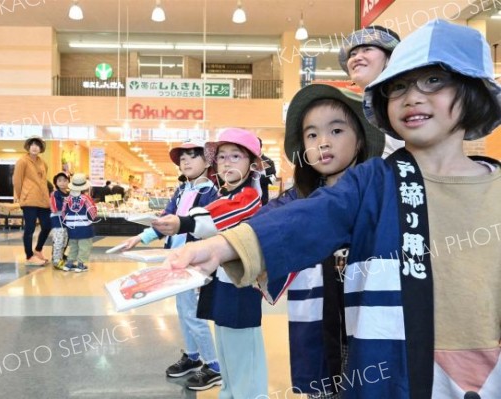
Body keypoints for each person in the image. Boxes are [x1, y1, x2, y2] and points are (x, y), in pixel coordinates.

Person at [166, 20, 501, 398]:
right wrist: (222, 246)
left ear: (474, 91)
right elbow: (309, 217)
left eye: (434, 81)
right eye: (398, 86)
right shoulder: (374, 181)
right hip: (394, 369)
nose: (412, 97)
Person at [257, 84, 384, 398]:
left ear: (360, 141)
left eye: (337, 130)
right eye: (311, 135)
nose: (323, 143)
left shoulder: (379, 195)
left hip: (369, 328)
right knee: (322, 385)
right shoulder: (297, 200)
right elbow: (260, 227)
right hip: (319, 329)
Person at [153, 128, 267, 398]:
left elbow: (218, 217)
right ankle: (228, 392)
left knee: (242, 354)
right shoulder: (226, 193)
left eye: (235, 156)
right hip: (223, 282)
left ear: (252, 165)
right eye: (222, 156)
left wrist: (182, 222)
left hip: (241, 285)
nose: (227, 162)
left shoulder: (250, 197)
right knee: (227, 350)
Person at [121, 140, 221, 391]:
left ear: (207, 161)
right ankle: (193, 356)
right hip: (176, 261)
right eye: (182, 158)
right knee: (183, 310)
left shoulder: (212, 191)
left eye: (192, 156)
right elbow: (164, 221)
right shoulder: (180, 191)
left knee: (193, 314)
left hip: (197, 261)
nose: (185, 161)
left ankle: (214, 365)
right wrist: (140, 237)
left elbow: (211, 226)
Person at [338, 25, 404, 158]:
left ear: (389, 58)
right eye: (353, 54)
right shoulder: (350, 109)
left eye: (367, 49)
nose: (357, 57)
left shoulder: (404, 101)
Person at [13, 136, 51, 267]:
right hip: (29, 200)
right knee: (30, 229)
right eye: (32, 144)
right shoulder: (22, 161)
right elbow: (17, 181)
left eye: (37, 145)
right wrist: (21, 197)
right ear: (28, 147)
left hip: (43, 200)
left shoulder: (43, 163)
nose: (35, 147)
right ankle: (29, 256)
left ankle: (38, 250)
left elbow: (44, 182)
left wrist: (48, 198)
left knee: (47, 225)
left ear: (41, 148)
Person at [62, 173, 97, 272]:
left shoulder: (67, 199)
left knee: (73, 245)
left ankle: (69, 264)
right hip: (84, 227)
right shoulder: (86, 198)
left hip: (72, 227)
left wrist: (68, 223)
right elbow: (92, 211)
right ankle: (80, 265)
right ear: (84, 187)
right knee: (84, 246)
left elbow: (63, 213)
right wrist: (91, 220)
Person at [49, 172, 70, 271]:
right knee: (59, 240)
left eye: (64, 180)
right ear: (56, 183)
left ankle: (60, 256)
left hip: (67, 221)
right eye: (59, 180)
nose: (62, 183)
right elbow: (55, 207)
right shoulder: (55, 194)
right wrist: (67, 207)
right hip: (57, 220)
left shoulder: (69, 194)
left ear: (68, 182)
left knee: (65, 240)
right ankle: (56, 261)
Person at [257, 138, 276, 205]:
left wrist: (259, 178)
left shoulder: (269, 162)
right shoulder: (247, 161)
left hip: (262, 199)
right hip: (247, 198)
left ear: (260, 146)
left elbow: (273, 179)